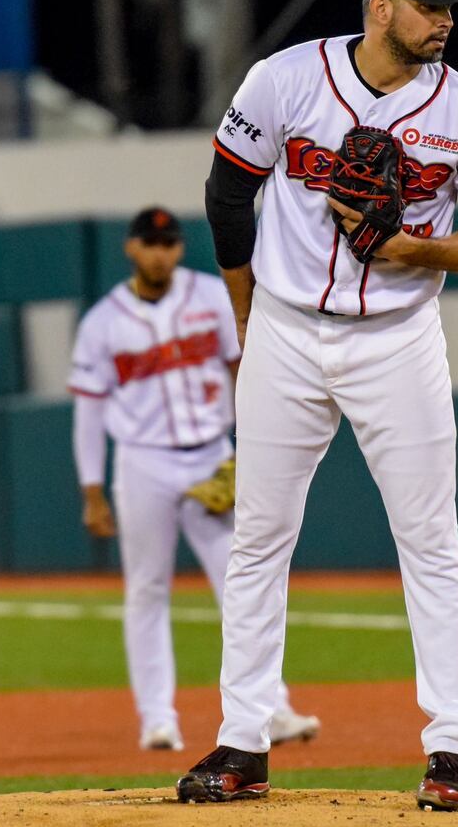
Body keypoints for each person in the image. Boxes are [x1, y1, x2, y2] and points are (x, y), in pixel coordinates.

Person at [177, 0, 458, 811]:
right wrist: (249, 316)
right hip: (289, 330)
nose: (445, 19)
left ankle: (451, 745)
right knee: (257, 537)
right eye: (429, 5)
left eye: (449, 7)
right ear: (380, 9)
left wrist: (420, 247)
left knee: (429, 540)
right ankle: (243, 741)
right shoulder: (286, 80)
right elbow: (227, 194)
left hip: (399, 338)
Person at [68, 206, 321, 752]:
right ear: (132, 249)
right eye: (150, 243)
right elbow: (88, 413)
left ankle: (271, 709)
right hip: (142, 462)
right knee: (147, 590)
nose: (161, 252)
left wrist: (247, 452)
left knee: (242, 583)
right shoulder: (102, 322)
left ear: (179, 249)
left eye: (170, 243)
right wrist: (91, 489)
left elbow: (247, 371)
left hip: (212, 456)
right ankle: (157, 717)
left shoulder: (210, 295)